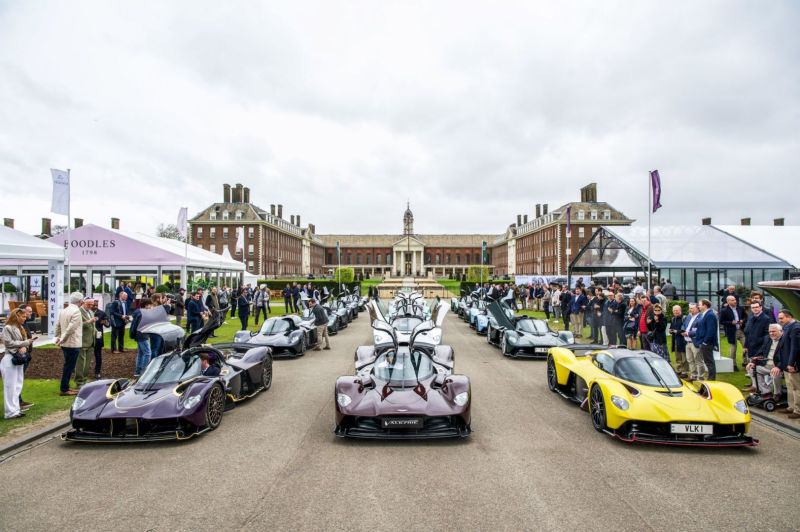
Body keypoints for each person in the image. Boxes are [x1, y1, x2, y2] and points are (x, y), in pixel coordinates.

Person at [1, 309, 34, 418]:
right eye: (23, 316)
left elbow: (24, 342)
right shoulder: (7, 328)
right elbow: (8, 343)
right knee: (10, 386)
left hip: (19, 359)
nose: (25, 318)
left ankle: (15, 409)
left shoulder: (21, 328)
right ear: (16, 316)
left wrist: (25, 346)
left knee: (17, 385)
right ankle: (10, 412)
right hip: (10, 359)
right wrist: (25, 343)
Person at [54, 292, 84, 396]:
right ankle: (64, 389)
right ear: (80, 301)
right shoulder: (76, 311)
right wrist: (61, 338)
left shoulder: (64, 310)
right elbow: (71, 328)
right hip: (72, 343)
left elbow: (58, 325)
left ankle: (65, 387)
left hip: (66, 343)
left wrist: (57, 337)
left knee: (68, 366)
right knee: (69, 367)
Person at [772, 309, 800, 418]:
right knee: (790, 386)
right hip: (786, 364)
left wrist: (791, 363)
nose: (779, 321)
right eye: (779, 318)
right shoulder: (788, 327)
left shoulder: (796, 328)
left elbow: (795, 348)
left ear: (789, 317)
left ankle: (798, 411)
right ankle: (791, 407)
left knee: (796, 387)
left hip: (793, 365)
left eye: (781, 318)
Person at [744, 323, 782, 397]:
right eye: (770, 331)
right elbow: (760, 351)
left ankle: (777, 393)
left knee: (775, 373)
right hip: (766, 365)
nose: (771, 333)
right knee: (751, 368)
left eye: (774, 331)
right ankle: (766, 391)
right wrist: (753, 362)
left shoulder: (784, 340)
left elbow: (786, 356)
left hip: (778, 366)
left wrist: (778, 367)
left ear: (781, 331)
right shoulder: (767, 338)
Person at [75, 297, 97, 388]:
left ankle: (84, 379)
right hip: (82, 341)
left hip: (91, 341)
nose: (91, 306)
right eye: (89, 304)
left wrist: (96, 331)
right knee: (80, 363)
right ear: (83, 303)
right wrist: (89, 321)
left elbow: (92, 325)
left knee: (87, 362)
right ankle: (79, 381)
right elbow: (77, 325)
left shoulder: (91, 312)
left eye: (92, 304)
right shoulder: (78, 312)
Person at [694, 299, 719, 380]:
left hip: (707, 343)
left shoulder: (710, 315)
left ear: (704, 305)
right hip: (703, 342)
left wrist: (705, 342)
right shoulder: (704, 314)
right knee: (708, 361)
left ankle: (711, 379)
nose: (698, 306)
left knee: (709, 362)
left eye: (700, 304)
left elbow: (711, 330)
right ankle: (711, 378)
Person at [720, 295, 746, 371]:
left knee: (746, 347)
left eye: (735, 299)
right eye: (732, 300)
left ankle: (745, 362)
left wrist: (742, 320)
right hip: (732, 331)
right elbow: (721, 321)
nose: (735, 301)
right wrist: (731, 322)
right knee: (733, 349)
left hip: (741, 330)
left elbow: (745, 317)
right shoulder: (724, 310)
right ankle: (733, 365)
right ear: (728, 302)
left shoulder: (740, 308)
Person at [744, 300, 771, 367]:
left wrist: (760, 342)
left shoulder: (766, 319)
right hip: (750, 346)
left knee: (759, 366)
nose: (755, 309)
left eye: (756, 307)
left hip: (760, 346)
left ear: (761, 307)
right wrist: (745, 345)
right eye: (753, 307)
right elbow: (747, 332)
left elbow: (767, 334)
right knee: (752, 364)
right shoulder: (750, 317)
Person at [669, 305, 689, 377]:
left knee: (684, 357)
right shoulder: (673, 319)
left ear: (680, 310)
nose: (675, 312)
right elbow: (671, 328)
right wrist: (670, 331)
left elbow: (685, 329)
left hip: (683, 340)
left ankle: (684, 371)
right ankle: (679, 370)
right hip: (675, 340)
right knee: (677, 356)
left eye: (677, 310)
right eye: (674, 310)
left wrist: (676, 331)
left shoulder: (684, 318)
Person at [92, 301, 110, 379]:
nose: (95, 307)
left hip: (98, 337)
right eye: (93, 305)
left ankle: (97, 372)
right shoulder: (86, 312)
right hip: (88, 337)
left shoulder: (102, 313)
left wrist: (106, 323)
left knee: (98, 355)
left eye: (96, 305)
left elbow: (108, 325)